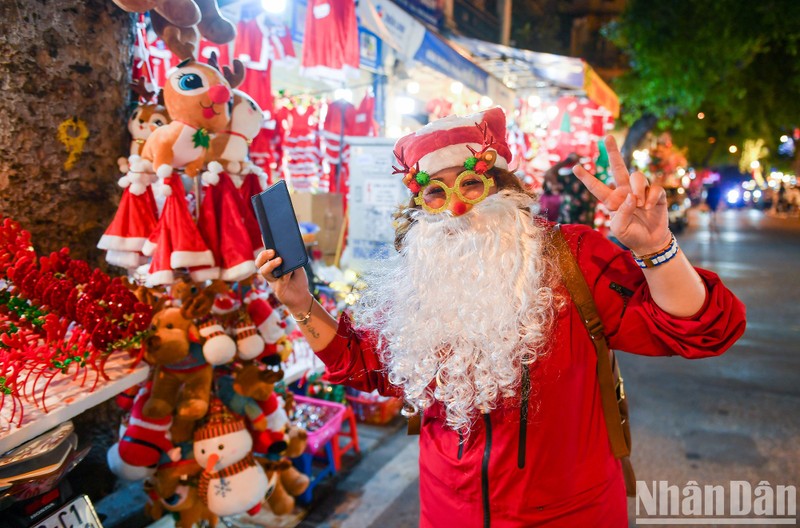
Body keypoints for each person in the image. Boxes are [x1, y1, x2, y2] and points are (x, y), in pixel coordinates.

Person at [256, 108, 746, 527]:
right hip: (448, 510)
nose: (456, 208)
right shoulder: (423, 272)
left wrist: (657, 249)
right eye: (435, 194)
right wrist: (302, 304)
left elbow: (703, 330)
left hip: (569, 513)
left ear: (503, 187)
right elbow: (366, 363)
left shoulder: (570, 257)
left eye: (470, 183)